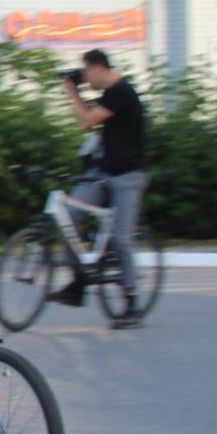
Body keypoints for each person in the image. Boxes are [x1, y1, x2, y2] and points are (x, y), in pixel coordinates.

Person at [57, 48, 148, 327]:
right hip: (104, 172)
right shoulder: (108, 94)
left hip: (128, 176)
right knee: (68, 216)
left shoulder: (122, 92)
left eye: (85, 72)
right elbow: (90, 124)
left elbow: (86, 120)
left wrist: (72, 91)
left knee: (121, 239)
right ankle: (78, 282)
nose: (85, 78)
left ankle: (131, 303)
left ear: (96, 68)